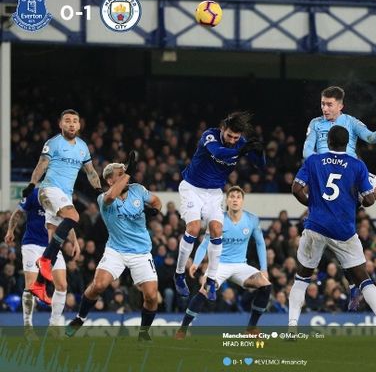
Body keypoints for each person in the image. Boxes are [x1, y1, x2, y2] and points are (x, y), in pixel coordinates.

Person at [303, 86, 376, 308]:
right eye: (322, 104)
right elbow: (307, 151)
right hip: (328, 177)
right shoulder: (315, 124)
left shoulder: (351, 121)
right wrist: (320, 166)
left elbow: (370, 137)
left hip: (353, 172)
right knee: (338, 234)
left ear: (340, 105)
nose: (324, 108)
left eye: (329, 104)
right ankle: (353, 284)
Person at [291, 125, 376, 342]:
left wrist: (313, 203)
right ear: (348, 144)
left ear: (327, 142)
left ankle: (292, 329)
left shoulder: (314, 161)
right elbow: (370, 199)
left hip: (315, 225)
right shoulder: (357, 165)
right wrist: (357, 201)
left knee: (302, 277)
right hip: (343, 230)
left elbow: (296, 189)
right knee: (364, 278)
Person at [65, 162, 162, 342]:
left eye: (126, 172)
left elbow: (156, 201)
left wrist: (154, 210)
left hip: (141, 252)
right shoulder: (104, 199)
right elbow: (111, 196)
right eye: (121, 174)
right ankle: (80, 318)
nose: (127, 176)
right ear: (110, 180)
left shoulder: (138, 190)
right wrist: (128, 173)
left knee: (151, 296)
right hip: (115, 250)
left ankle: (143, 332)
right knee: (99, 285)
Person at [174, 113, 265, 301]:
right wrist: (242, 150)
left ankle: (211, 280)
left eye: (236, 138)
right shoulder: (210, 135)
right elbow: (218, 153)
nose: (232, 140)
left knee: (216, 230)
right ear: (223, 129)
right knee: (193, 228)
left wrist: (259, 152)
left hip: (214, 192)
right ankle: (179, 274)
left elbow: (260, 165)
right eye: (229, 135)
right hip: (192, 188)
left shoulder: (241, 143)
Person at [22, 109, 103, 304]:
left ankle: (39, 284)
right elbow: (41, 165)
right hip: (49, 190)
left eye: (75, 121)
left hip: (64, 196)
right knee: (74, 216)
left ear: (79, 125)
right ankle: (44, 261)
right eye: (67, 121)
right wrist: (32, 184)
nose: (71, 124)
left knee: (54, 241)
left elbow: (91, 172)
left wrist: (99, 190)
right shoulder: (53, 143)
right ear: (61, 124)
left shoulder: (82, 147)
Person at [175, 186, 271, 338]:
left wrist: (264, 268)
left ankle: (251, 328)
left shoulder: (252, 219)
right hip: (219, 265)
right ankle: (183, 329)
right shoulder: (218, 220)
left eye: (238, 197)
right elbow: (205, 243)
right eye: (231, 196)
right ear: (227, 200)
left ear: (242, 201)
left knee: (265, 286)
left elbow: (260, 243)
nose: (235, 199)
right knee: (204, 290)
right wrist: (196, 263)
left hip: (241, 265)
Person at [4, 188, 79, 336]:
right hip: (32, 244)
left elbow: (68, 221)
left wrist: (75, 241)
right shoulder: (34, 193)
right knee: (31, 286)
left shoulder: (61, 197)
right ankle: (28, 326)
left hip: (52, 245)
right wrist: (10, 230)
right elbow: (18, 213)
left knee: (62, 285)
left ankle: (54, 325)